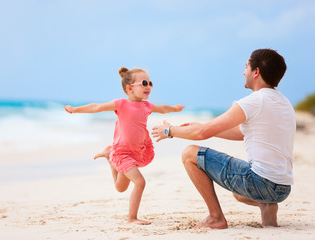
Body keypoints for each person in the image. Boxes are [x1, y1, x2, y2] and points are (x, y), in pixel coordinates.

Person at [151, 49, 295, 229]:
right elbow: (242, 133)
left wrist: (169, 131)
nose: (244, 72)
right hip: (282, 187)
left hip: (261, 183)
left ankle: (215, 217)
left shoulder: (254, 101)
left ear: (256, 72)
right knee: (238, 193)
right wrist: (203, 127)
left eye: (246, 67)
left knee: (189, 154)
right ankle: (266, 204)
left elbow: (202, 134)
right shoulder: (283, 102)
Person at [64, 67, 184, 225]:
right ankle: (132, 218)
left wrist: (174, 109)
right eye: (144, 83)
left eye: (150, 83)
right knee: (140, 182)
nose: (148, 86)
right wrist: (75, 110)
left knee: (120, 188)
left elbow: (162, 109)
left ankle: (109, 155)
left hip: (138, 151)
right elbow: (96, 107)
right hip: (122, 152)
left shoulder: (146, 106)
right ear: (130, 88)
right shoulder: (121, 104)